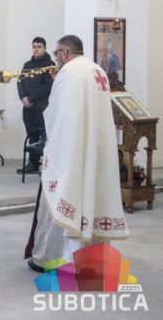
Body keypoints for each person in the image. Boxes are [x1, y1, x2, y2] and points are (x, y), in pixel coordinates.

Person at [24, 35, 128, 272]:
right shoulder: (97, 70)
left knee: (64, 198)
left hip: (73, 152)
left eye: (56, 54)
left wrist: (50, 147)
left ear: (63, 53)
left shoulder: (69, 73)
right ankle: (94, 261)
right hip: (96, 149)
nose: (56, 59)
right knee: (92, 198)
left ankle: (53, 258)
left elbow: (59, 115)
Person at [16, 37, 54, 174]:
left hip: (42, 107)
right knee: (32, 136)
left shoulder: (50, 65)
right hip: (28, 107)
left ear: (45, 48)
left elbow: (47, 86)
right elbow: (20, 82)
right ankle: (33, 163)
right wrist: (23, 98)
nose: (36, 49)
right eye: (34, 47)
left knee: (44, 137)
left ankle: (46, 166)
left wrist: (31, 98)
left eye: (39, 46)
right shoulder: (27, 65)